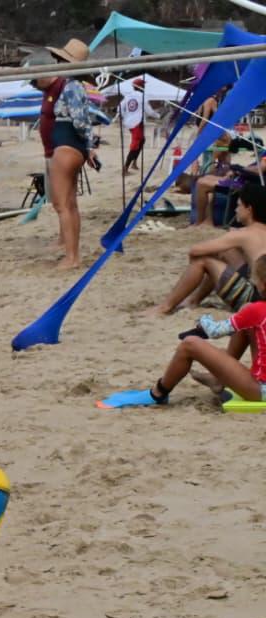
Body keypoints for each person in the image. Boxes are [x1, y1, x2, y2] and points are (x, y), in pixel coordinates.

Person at [101, 254, 266, 408]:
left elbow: (215, 331)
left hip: (262, 391)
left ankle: (158, 393)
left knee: (190, 344)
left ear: (262, 285)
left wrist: (204, 320)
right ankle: (217, 380)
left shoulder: (258, 310)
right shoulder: (256, 311)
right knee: (245, 315)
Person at [148, 182, 266, 315]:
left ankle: (165, 307)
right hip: (262, 288)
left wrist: (228, 237)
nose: (235, 210)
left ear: (249, 209)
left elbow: (195, 250)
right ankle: (193, 300)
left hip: (257, 300)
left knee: (202, 260)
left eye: (238, 205)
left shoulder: (243, 234)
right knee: (226, 251)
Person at [40, 39, 101, 270]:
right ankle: (72, 254)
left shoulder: (72, 87)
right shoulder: (75, 87)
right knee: (70, 204)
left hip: (66, 147)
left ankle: (72, 257)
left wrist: (89, 145)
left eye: (59, 60)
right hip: (71, 147)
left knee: (62, 205)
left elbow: (80, 120)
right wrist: (88, 147)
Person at [119, 77, 157, 176]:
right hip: (137, 123)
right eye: (143, 85)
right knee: (135, 145)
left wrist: (125, 117)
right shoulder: (142, 96)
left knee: (142, 140)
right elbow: (149, 111)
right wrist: (157, 115)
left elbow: (120, 108)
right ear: (141, 87)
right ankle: (125, 168)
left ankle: (134, 162)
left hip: (130, 123)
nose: (144, 87)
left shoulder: (128, 96)